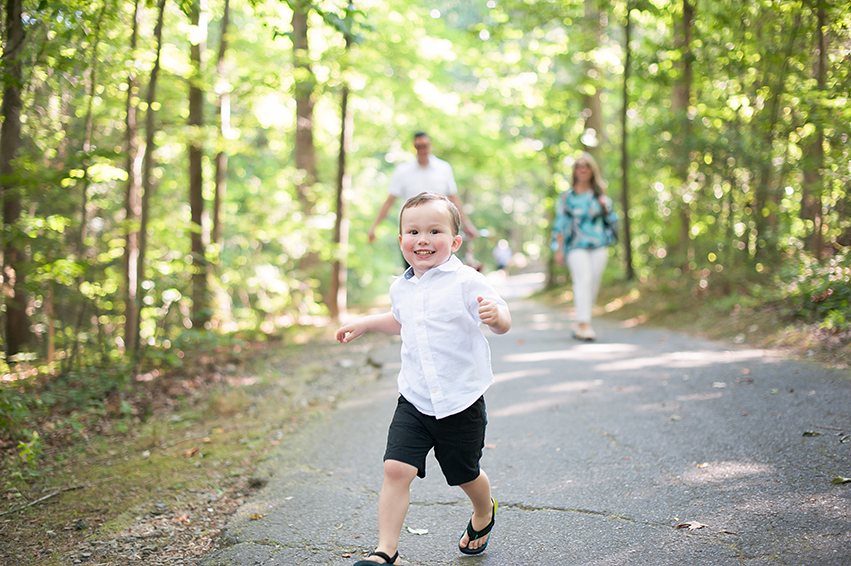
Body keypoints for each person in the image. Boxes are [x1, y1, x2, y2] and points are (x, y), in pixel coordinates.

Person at [336, 192, 511, 565]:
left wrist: (497, 317)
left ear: (455, 241)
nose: (423, 239)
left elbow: (501, 314)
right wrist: (366, 323)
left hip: (460, 400)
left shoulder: (465, 281)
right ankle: (386, 552)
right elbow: (400, 320)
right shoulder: (401, 287)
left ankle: (484, 511)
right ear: (401, 241)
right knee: (396, 469)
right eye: (413, 231)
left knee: (465, 473)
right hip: (414, 399)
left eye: (435, 231)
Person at [368, 133, 478, 268]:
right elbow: (390, 200)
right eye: (418, 146)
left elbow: (453, 199)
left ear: (430, 146)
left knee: (442, 270)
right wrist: (374, 226)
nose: (422, 150)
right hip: (412, 230)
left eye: (424, 146)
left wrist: (467, 224)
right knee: (413, 271)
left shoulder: (443, 168)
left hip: (438, 229)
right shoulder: (403, 171)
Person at [553, 152, 617, 342]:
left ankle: (580, 322)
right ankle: (585, 324)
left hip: (599, 245)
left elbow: (612, 221)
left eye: (586, 166)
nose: (582, 169)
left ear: (592, 170)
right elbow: (560, 225)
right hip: (575, 246)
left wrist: (607, 208)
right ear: (574, 171)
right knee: (584, 278)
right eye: (579, 166)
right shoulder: (567, 198)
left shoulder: (600, 196)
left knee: (593, 281)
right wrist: (559, 249)